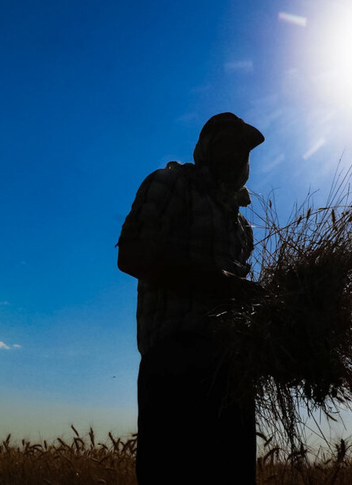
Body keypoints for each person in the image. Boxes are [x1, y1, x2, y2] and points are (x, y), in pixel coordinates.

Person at [117, 113, 264, 484]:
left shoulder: (241, 227)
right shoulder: (171, 184)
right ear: (206, 149)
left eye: (243, 151)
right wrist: (217, 283)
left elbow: (237, 298)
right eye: (228, 146)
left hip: (232, 374)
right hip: (174, 365)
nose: (236, 157)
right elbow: (130, 255)